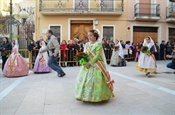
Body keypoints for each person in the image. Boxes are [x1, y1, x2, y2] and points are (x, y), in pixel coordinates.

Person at [75, 29, 114, 102]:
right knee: (86, 80)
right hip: (87, 65)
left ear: (95, 36)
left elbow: (97, 55)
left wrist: (89, 63)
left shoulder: (98, 44)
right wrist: (83, 61)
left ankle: (97, 96)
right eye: (88, 35)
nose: (89, 37)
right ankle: (84, 95)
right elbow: (85, 53)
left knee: (96, 81)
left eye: (91, 35)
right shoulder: (87, 44)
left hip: (96, 65)